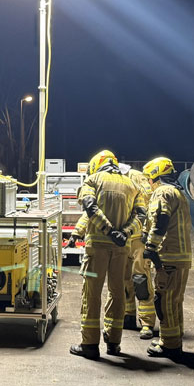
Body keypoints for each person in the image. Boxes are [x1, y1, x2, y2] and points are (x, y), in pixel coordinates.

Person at [69, 150, 145, 360]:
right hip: (122, 249)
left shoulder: (93, 180)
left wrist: (108, 230)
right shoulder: (132, 185)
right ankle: (113, 342)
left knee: (91, 294)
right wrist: (125, 233)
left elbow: (90, 208)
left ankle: (90, 344)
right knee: (117, 292)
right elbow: (141, 215)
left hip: (97, 249)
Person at [141, 157, 192, 359]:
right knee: (175, 301)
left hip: (168, 256)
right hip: (181, 256)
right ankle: (173, 339)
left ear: (155, 176)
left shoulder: (162, 192)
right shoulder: (178, 193)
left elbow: (160, 220)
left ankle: (170, 346)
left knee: (164, 302)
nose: (148, 183)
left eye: (148, 179)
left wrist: (150, 245)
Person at [118, 162, 156, 340]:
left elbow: (147, 201)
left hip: (139, 238)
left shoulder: (135, 177)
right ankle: (128, 315)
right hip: (123, 238)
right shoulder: (114, 179)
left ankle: (147, 322)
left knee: (140, 278)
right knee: (124, 278)